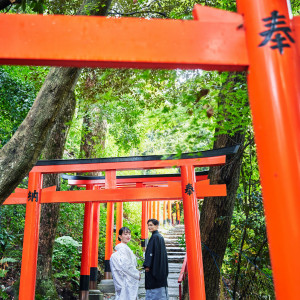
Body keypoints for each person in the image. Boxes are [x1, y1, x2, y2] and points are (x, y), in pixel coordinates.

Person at [110, 227, 141, 300]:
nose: (128, 236)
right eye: (125, 234)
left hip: (125, 278)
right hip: (126, 279)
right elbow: (126, 266)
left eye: (129, 234)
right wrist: (136, 274)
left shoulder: (124, 248)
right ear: (120, 236)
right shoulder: (123, 249)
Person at [143, 218, 169, 300]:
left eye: (151, 225)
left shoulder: (155, 237)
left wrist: (147, 265)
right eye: (148, 225)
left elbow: (151, 253)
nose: (149, 227)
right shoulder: (158, 237)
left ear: (156, 226)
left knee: (153, 291)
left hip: (154, 269)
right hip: (159, 268)